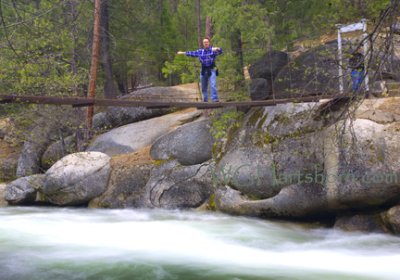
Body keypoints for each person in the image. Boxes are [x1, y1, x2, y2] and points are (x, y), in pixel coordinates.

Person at [177, 37, 223, 102]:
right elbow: (191, 53)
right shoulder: (200, 51)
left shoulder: (212, 51)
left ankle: (214, 99)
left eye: (207, 42)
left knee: (213, 84)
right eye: (204, 42)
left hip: (211, 69)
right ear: (203, 44)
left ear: (209, 43)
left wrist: (217, 48)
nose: (206, 43)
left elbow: (221, 51)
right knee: (203, 87)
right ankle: (205, 100)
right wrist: (182, 53)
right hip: (204, 70)